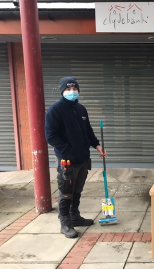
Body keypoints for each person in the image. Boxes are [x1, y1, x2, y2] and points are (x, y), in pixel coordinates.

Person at [45, 77, 107, 238]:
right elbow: (51, 136)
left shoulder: (80, 109)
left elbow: (88, 131)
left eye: (74, 89)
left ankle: (75, 216)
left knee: (77, 190)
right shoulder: (55, 110)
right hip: (67, 160)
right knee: (66, 192)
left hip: (83, 158)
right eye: (68, 90)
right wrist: (68, 150)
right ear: (62, 91)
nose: (72, 92)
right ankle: (65, 223)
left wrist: (97, 145)